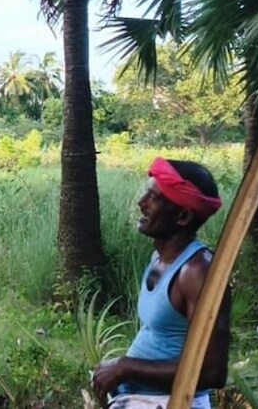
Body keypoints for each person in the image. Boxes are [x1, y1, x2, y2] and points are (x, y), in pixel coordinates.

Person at [91, 158, 231, 409]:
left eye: (154, 197)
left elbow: (213, 372)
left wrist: (127, 368)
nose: (141, 203)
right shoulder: (160, 257)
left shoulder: (198, 273)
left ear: (183, 216)